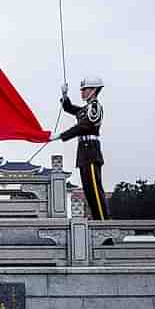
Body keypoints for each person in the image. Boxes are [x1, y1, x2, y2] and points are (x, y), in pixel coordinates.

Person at [50, 77, 109, 220]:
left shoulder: (95, 108)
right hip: (83, 153)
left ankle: (104, 227)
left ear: (94, 91)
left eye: (85, 89)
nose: (82, 92)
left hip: (91, 151)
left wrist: (60, 136)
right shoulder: (85, 109)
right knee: (88, 192)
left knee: (95, 191)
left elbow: (83, 126)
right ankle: (98, 223)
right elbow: (69, 108)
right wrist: (65, 96)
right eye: (82, 89)